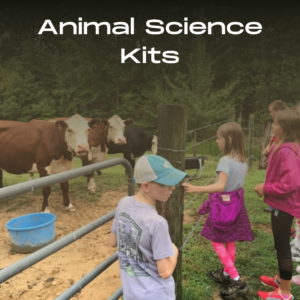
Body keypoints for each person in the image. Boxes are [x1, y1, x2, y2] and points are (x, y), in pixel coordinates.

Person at [183, 122, 254, 299]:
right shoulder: (243, 161)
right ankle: (225, 273)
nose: (216, 141)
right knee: (230, 240)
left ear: (228, 140)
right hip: (236, 207)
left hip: (222, 208)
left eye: (219, 138)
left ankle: (236, 279)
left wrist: (195, 188)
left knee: (216, 242)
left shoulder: (225, 161)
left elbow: (221, 186)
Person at [109, 154, 187, 300]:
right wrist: (174, 251)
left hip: (132, 293)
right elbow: (165, 272)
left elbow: (113, 241)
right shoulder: (157, 222)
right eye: (166, 183)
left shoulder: (123, 203)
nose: (172, 188)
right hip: (158, 295)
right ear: (146, 186)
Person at [255, 109, 300, 300]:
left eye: (275, 123)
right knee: (281, 246)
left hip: (284, 205)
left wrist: (266, 188)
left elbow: (291, 183)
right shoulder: (288, 147)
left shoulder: (287, 151)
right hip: (283, 203)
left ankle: (284, 293)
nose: (272, 126)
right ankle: (282, 281)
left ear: (284, 127)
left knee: (282, 247)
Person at [263, 100, 287, 213]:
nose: (270, 114)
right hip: (274, 155)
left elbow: (283, 140)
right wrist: (268, 147)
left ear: (278, 111)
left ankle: (277, 206)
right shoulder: (277, 124)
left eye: (271, 111)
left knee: (279, 180)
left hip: (279, 157)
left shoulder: (284, 124)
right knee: (272, 177)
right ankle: (273, 205)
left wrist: (271, 149)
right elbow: (274, 139)